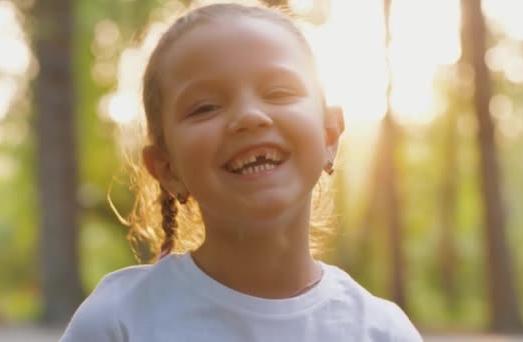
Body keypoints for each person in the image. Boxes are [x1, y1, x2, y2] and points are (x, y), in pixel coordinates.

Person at [61, 2, 422, 341]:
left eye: (279, 92)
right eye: (204, 107)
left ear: (329, 134)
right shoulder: (119, 320)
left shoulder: (380, 331)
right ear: (167, 168)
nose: (249, 116)